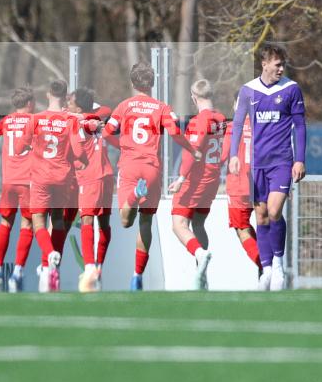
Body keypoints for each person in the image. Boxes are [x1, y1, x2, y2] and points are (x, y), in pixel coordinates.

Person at [103, 62, 201, 291]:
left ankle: (134, 196)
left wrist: (122, 145)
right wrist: (191, 149)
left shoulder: (124, 106)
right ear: (153, 83)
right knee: (145, 222)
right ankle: (137, 276)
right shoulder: (161, 108)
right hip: (151, 169)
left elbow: (106, 133)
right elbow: (175, 132)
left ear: (132, 82)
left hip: (129, 165)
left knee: (125, 221)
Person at [228, 43, 306, 291]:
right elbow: (237, 124)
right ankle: (267, 269)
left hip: (282, 161)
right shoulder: (248, 90)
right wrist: (233, 155)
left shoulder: (291, 89)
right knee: (260, 216)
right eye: (278, 65)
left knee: (274, 212)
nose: (281, 69)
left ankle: (279, 265)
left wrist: (299, 159)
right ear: (264, 64)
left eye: (283, 65)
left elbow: (300, 126)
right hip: (257, 164)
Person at [17, 80, 82, 292]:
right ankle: (51, 268)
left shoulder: (35, 119)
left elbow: (18, 147)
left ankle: (49, 256)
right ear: (66, 97)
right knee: (58, 220)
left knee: (38, 222)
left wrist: (29, 147)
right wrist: (83, 161)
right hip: (62, 178)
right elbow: (78, 151)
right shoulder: (70, 120)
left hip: (41, 178)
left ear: (47, 95)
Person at [167, 79, 225, 290]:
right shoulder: (220, 119)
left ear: (193, 97)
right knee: (198, 225)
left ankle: (200, 254)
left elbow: (193, 152)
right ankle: (202, 276)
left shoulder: (199, 121)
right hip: (212, 179)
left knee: (178, 225)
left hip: (196, 181)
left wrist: (181, 179)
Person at [0, 87, 36, 293]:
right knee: (27, 224)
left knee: (5, 222)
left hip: (8, 181)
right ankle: (17, 273)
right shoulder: (34, 121)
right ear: (29, 103)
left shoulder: (6, 120)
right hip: (27, 181)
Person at [67, 88, 114, 293]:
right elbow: (106, 110)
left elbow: (77, 151)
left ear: (78, 108)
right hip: (106, 175)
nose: (67, 105)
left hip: (90, 177)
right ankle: (99, 268)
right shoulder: (94, 117)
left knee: (87, 220)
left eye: (70, 102)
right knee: (103, 223)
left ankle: (89, 269)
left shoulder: (76, 122)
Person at [222, 112, 263, 276]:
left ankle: (264, 266)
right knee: (263, 225)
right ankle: (270, 264)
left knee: (242, 228)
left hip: (238, 185)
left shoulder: (232, 127)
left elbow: (222, 156)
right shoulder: (261, 124)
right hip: (260, 183)